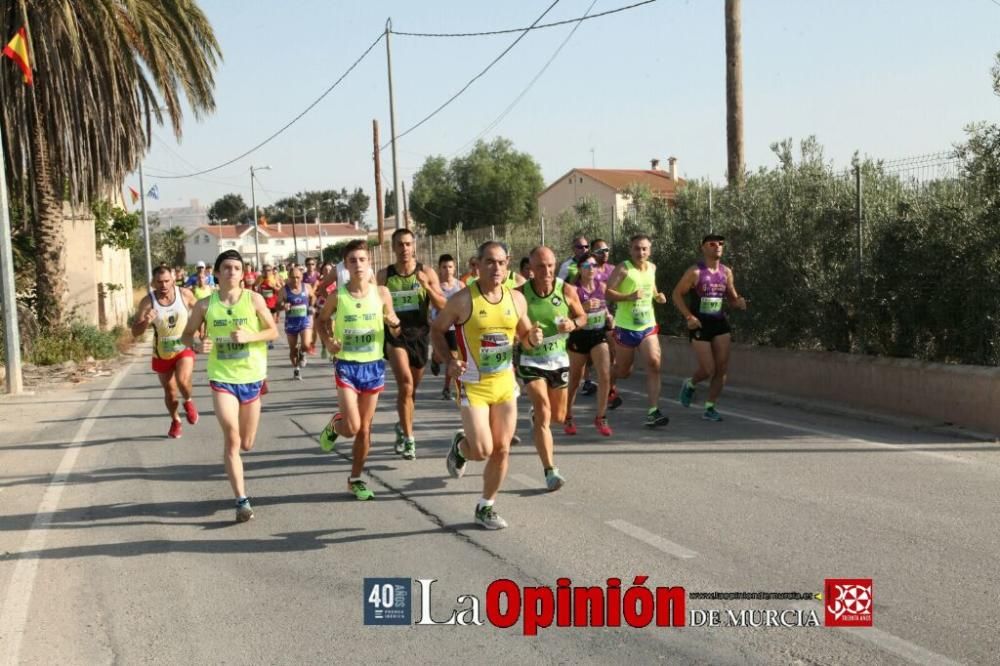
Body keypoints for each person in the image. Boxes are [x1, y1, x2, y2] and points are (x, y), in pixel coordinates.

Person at [432, 241, 542, 529]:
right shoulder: (462, 300)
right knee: (481, 450)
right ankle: (461, 446)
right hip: (474, 384)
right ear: (477, 265)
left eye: (502, 262)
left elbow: (525, 334)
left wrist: (533, 338)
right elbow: (437, 330)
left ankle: (486, 506)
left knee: (502, 449)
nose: (496, 268)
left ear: (508, 265)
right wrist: (449, 359)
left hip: (505, 382)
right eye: (490, 262)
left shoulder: (516, 299)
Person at [181, 250, 279, 523]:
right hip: (222, 378)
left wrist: (250, 336)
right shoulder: (204, 305)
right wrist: (198, 344)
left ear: (243, 273)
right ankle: (241, 499)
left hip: (251, 377)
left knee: (247, 443)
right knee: (232, 437)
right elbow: (186, 336)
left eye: (237, 267)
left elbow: (273, 331)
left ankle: (240, 488)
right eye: (226, 267)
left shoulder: (254, 299)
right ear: (217, 272)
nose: (232, 272)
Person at [316, 240, 402, 500]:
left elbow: (396, 328)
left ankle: (355, 479)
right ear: (346, 266)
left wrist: (394, 323)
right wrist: (329, 341)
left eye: (362, 260)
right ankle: (337, 423)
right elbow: (321, 322)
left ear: (369, 263)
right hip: (346, 367)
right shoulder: (338, 296)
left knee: (365, 429)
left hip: (373, 366)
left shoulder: (382, 293)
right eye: (352, 261)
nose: (358, 265)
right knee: (352, 427)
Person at [516, 246, 586, 491]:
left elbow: (582, 316)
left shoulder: (566, 290)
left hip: (558, 360)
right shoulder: (519, 295)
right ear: (530, 269)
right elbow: (510, 327)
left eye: (549, 265)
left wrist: (573, 323)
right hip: (531, 360)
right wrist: (524, 336)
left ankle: (537, 418)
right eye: (540, 267)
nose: (546, 271)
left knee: (558, 416)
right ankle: (550, 471)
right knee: (544, 410)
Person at [378, 228, 446, 461]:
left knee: (411, 391)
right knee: (405, 385)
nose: (404, 249)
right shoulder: (384, 275)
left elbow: (443, 305)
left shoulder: (426, 272)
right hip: (395, 335)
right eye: (400, 244)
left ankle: (401, 424)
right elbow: (372, 303)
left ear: (414, 246)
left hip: (420, 335)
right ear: (393, 248)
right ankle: (409, 439)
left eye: (408, 244)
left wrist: (426, 286)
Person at [672, 234, 747, 421]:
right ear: (703, 248)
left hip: (719, 323)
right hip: (699, 324)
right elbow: (676, 294)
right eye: (712, 244)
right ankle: (690, 383)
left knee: (721, 369)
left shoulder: (726, 272)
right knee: (708, 369)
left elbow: (731, 297)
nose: (717, 247)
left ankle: (710, 407)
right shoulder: (695, 272)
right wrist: (689, 316)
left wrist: (739, 302)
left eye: (721, 244)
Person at [606, 233, 670, 427]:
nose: (640, 252)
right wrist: (629, 296)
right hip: (626, 327)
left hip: (647, 325)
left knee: (654, 363)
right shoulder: (623, 269)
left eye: (644, 248)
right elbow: (607, 292)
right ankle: (609, 383)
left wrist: (658, 296)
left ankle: (653, 411)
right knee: (624, 370)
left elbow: (651, 288)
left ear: (649, 251)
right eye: (636, 248)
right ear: (630, 250)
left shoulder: (652, 268)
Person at [131, 265, 200, 439]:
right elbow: (135, 333)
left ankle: (189, 402)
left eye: (167, 281)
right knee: (170, 392)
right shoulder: (148, 302)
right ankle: (175, 420)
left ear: (174, 279)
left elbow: (202, 311)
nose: (163, 285)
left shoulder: (185, 294)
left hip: (183, 347)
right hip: (161, 352)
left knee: (183, 381)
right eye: (159, 282)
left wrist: (201, 331)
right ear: (153, 283)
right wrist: (146, 321)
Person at [565, 252, 614, 437]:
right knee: (575, 380)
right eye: (587, 266)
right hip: (579, 336)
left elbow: (604, 306)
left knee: (605, 374)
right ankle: (568, 415)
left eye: (594, 266)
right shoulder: (573, 290)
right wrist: (582, 309)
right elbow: (566, 317)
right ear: (579, 269)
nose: (591, 269)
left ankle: (601, 417)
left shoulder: (601, 286)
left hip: (598, 334)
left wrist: (609, 316)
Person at [430, 253, 464, 399]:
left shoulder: (460, 285)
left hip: (454, 327)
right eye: (444, 267)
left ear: (454, 268)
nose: (447, 270)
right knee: (441, 356)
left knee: (454, 358)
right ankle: (435, 358)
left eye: (450, 266)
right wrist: (430, 320)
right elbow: (430, 306)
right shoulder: (436, 286)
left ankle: (447, 388)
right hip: (440, 326)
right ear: (439, 269)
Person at [277, 266, 315, 380]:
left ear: (302, 277)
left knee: (306, 344)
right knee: (292, 349)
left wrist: (312, 306)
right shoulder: (283, 290)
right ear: (288, 278)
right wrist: (283, 306)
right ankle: (296, 369)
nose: (295, 280)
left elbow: (313, 297)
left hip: (305, 321)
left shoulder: (307, 287)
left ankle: (303, 353)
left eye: (298, 277)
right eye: (293, 277)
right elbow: (277, 305)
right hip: (291, 323)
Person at [255, 265, 282, 346]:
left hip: (273, 304)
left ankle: (270, 341)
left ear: (271, 271)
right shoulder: (260, 278)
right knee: (264, 322)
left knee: (272, 322)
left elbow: (281, 290)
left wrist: (273, 287)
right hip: (262, 304)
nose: (267, 272)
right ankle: (266, 338)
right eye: (265, 270)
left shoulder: (275, 278)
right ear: (262, 271)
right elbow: (255, 287)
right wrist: (258, 288)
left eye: (269, 270)